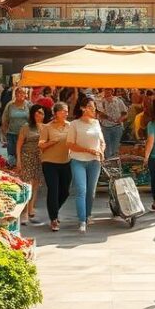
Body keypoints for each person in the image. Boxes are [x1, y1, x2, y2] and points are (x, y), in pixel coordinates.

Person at [66, 96, 105, 232]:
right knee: (81, 190)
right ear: (83, 108)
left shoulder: (96, 123)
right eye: (90, 106)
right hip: (78, 160)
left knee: (91, 192)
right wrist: (87, 150)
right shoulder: (74, 124)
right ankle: (82, 220)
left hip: (95, 161)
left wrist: (101, 150)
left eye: (94, 106)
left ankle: (88, 215)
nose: (93, 109)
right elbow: (70, 144)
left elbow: (101, 141)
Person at [38, 102, 73, 232]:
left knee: (65, 191)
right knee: (53, 190)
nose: (66, 113)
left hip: (66, 162)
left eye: (67, 111)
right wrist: (51, 142)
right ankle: (53, 219)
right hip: (49, 163)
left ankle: (54, 209)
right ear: (56, 113)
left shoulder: (70, 126)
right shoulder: (47, 127)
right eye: (64, 111)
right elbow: (41, 145)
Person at [15, 103, 48, 225]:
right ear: (32, 113)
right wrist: (19, 160)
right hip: (27, 157)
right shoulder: (26, 127)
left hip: (39, 158)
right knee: (27, 184)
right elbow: (19, 144)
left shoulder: (45, 127)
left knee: (35, 184)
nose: (39, 115)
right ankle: (24, 211)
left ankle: (30, 208)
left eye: (42, 113)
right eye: (37, 112)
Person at [0, 87, 31, 165]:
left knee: (24, 157)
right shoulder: (10, 105)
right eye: (18, 93)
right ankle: (12, 173)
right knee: (12, 157)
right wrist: (5, 132)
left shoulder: (29, 105)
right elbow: (4, 119)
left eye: (23, 93)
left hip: (25, 136)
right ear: (15, 94)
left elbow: (33, 119)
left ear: (26, 95)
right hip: (12, 134)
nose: (20, 94)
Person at [96, 88, 128, 159]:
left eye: (109, 90)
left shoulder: (118, 100)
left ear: (112, 91)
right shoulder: (100, 101)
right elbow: (99, 113)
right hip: (105, 128)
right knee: (107, 149)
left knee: (115, 149)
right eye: (106, 89)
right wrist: (106, 117)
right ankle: (108, 165)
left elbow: (125, 113)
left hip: (117, 127)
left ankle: (114, 166)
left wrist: (120, 119)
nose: (107, 91)